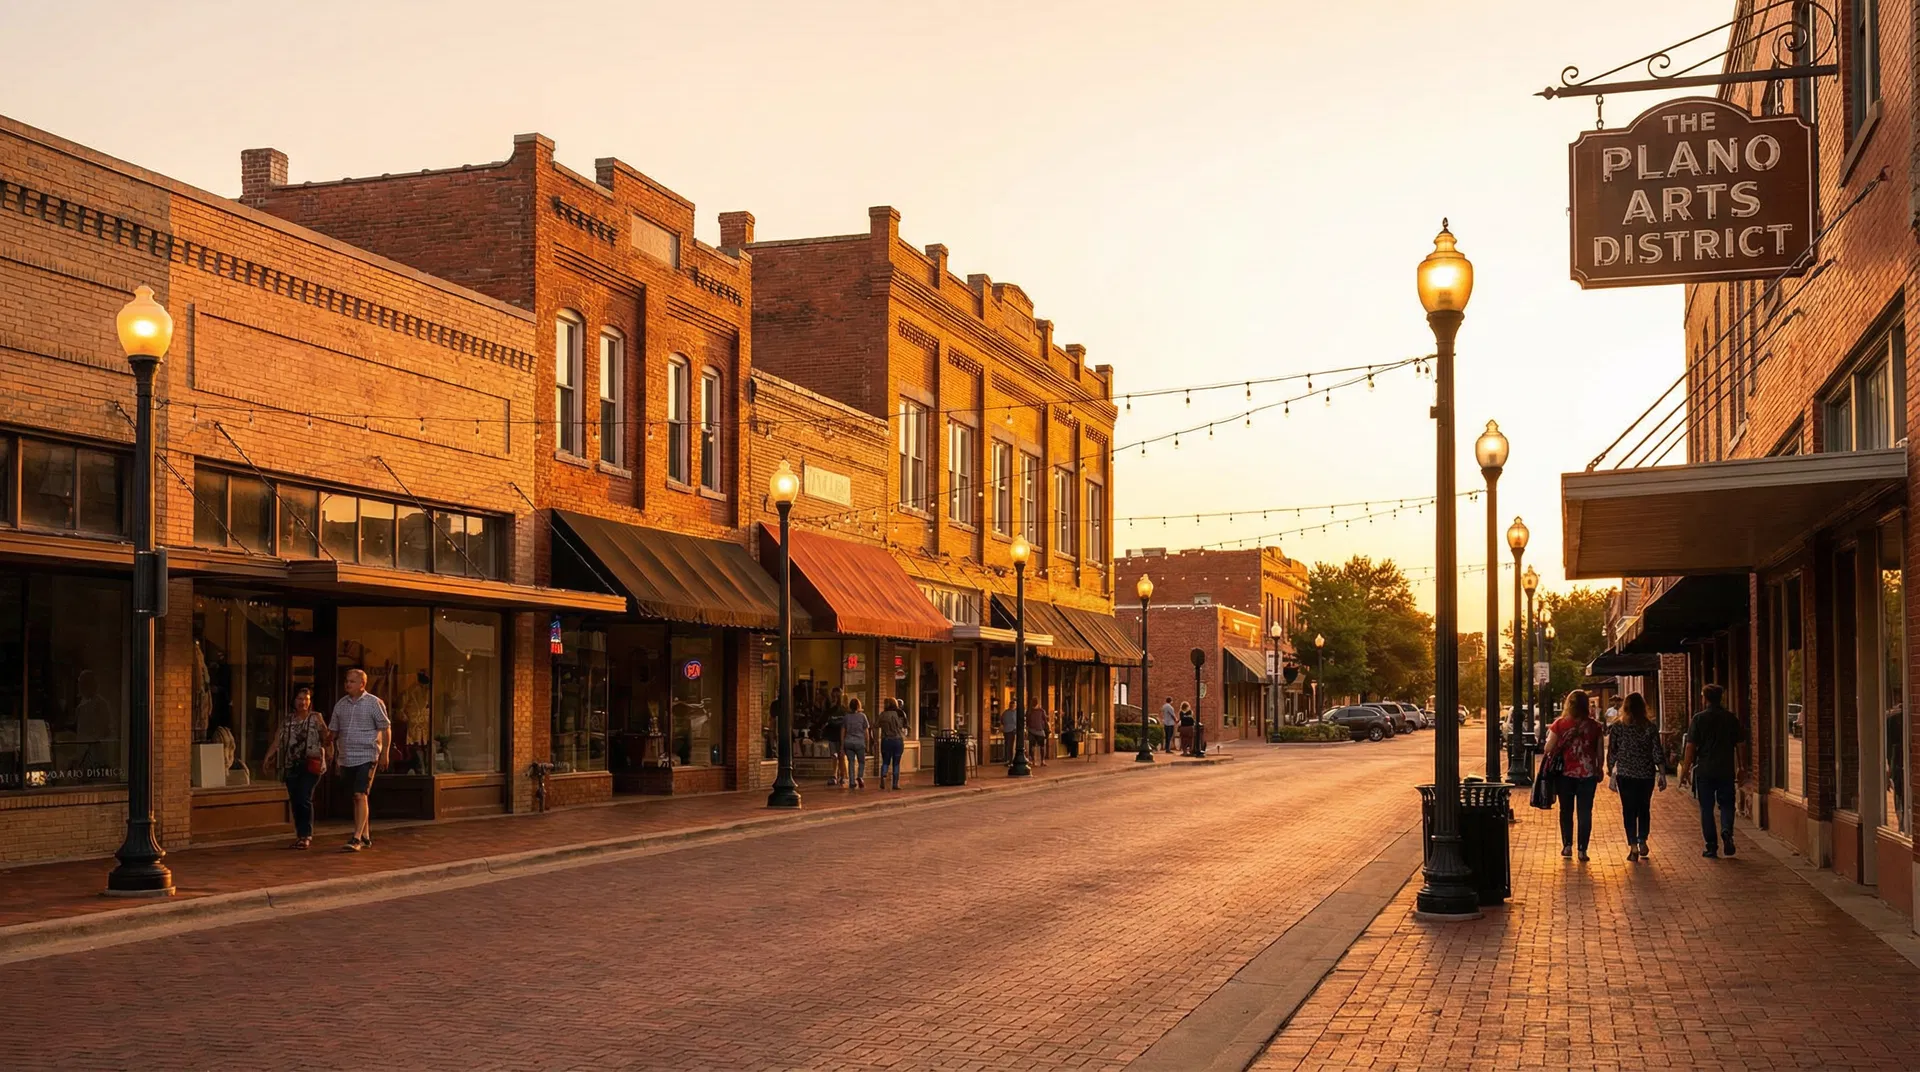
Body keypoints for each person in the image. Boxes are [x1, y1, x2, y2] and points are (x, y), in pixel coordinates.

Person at [1679, 682, 1746, 858]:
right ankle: (1726, 831)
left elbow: (1690, 747)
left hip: (1705, 769)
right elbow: (1740, 745)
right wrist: (1742, 766)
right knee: (1727, 804)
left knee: (1706, 808)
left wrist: (1685, 770)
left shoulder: (1698, 719)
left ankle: (1711, 845)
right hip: (1725, 768)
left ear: (1706, 698)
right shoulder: (1731, 718)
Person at [331, 668, 390, 852]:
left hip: (367, 754)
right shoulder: (341, 705)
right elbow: (334, 730)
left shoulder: (374, 703)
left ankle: (356, 838)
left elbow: (385, 728)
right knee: (356, 797)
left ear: (362, 684)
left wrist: (385, 753)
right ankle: (365, 835)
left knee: (360, 794)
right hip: (347, 756)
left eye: (352, 681)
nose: (348, 684)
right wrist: (329, 748)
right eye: (347, 681)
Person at [264, 687, 330, 849]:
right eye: (300, 699)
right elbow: (277, 740)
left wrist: (330, 755)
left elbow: (326, 738)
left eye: (306, 699)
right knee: (295, 800)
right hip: (291, 764)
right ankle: (300, 834)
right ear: (294, 701)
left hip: (311, 763)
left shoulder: (316, 718)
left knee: (304, 796)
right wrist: (268, 757)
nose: (303, 702)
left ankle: (306, 834)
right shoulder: (287, 720)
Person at [1545, 689, 1606, 861]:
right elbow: (1600, 752)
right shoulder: (1595, 726)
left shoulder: (1560, 724)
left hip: (1565, 774)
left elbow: (1548, 748)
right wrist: (1599, 768)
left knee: (1566, 811)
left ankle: (1567, 846)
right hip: (1588, 775)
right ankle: (1582, 850)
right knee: (1585, 812)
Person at [1606, 691, 1665, 862]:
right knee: (1644, 808)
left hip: (1625, 774)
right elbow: (1656, 752)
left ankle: (1633, 845)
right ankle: (1642, 840)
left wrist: (1611, 770)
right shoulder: (1649, 727)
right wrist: (1662, 773)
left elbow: (1612, 751)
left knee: (1629, 810)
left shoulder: (1618, 727)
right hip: (1646, 774)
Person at [876, 697, 907, 790]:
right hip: (898, 740)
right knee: (896, 763)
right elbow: (906, 726)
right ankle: (895, 784)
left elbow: (875, 726)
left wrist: (875, 739)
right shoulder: (900, 714)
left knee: (885, 761)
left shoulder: (882, 715)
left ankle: (883, 776)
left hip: (886, 740)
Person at [841, 697, 871, 789]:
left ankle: (852, 782)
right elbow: (866, 732)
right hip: (859, 742)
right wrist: (868, 744)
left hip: (848, 741)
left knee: (851, 762)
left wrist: (842, 745)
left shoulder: (846, 717)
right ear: (859, 706)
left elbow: (843, 731)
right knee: (861, 761)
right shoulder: (863, 716)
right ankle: (860, 777)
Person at [1026, 702, 1050, 767]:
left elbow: (1027, 721)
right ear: (1037, 704)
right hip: (1040, 730)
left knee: (1032, 746)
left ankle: (1033, 761)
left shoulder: (1029, 711)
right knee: (1042, 746)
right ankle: (1042, 761)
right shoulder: (1041, 711)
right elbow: (1045, 720)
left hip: (1031, 730)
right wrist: (1047, 728)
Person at [1002, 702, 1022, 766]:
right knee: (1011, 746)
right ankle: (1011, 761)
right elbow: (1016, 721)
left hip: (1006, 731)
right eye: (1015, 705)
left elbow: (1002, 721)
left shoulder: (1005, 712)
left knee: (1007, 745)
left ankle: (1007, 759)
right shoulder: (1015, 713)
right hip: (1012, 731)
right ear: (1014, 706)